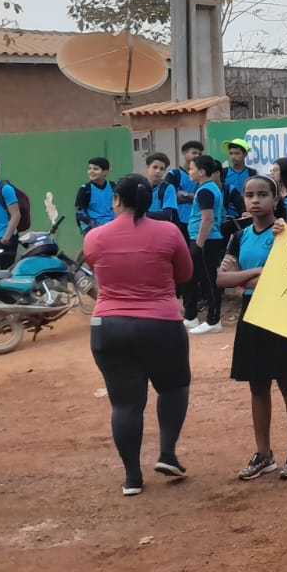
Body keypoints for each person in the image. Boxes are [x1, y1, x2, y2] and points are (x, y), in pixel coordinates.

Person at [81, 174, 195, 496]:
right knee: (174, 388)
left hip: (110, 326)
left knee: (125, 404)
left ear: (117, 199)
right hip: (161, 324)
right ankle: (167, 453)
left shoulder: (95, 237)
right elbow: (185, 274)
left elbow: (97, 268)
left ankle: (132, 477)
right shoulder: (169, 232)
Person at [218, 175, 287, 481]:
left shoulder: (285, 233)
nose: (254, 200)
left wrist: (243, 276)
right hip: (251, 313)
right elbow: (222, 280)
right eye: (249, 195)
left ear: (275, 199)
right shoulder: (239, 236)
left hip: (281, 311)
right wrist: (259, 271)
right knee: (257, 385)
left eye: (262, 195)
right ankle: (264, 454)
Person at [182, 154, 227, 335]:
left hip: (206, 242)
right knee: (195, 279)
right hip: (200, 239)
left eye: (192, 168)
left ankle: (214, 320)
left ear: (201, 172)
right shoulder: (206, 189)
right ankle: (191, 317)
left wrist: (198, 245)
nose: (189, 172)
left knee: (209, 281)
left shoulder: (206, 191)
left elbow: (207, 219)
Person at [75, 157, 116, 234]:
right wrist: (89, 231)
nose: (91, 171)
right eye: (89, 168)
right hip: (95, 230)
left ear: (105, 172)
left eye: (95, 169)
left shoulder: (113, 186)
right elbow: (80, 214)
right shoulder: (85, 190)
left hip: (115, 227)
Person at [220, 138, 256, 224]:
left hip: (247, 216)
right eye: (231, 153)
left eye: (237, 153)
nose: (233, 156)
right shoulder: (224, 172)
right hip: (227, 217)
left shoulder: (252, 173)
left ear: (245, 154)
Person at [143, 153, 182, 224]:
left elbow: (166, 215)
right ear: (147, 167)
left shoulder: (168, 188)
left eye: (162, 169)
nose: (158, 171)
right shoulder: (139, 186)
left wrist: (142, 215)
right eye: (155, 167)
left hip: (161, 228)